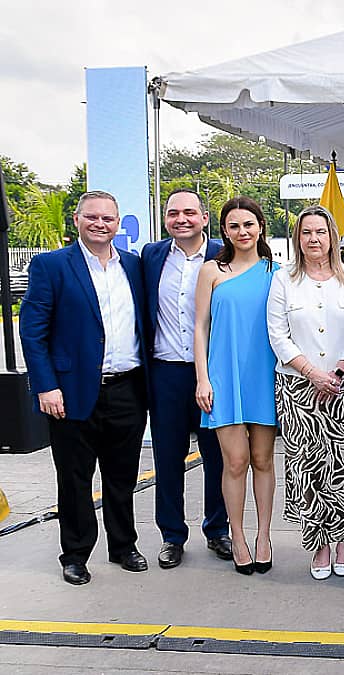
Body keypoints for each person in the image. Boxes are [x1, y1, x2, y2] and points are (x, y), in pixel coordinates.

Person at [19, 190, 149, 585]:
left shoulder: (134, 265)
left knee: (122, 475)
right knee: (74, 479)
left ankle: (123, 545)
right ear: (77, 220)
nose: (100, 224)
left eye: (108, 218)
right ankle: (75, 554)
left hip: (127, 388)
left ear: (118, 222)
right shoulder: (52, 266)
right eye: (91, 217)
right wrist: (46, 386)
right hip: (70, 392)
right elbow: (32, 331)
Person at [267, 205, 344, 581]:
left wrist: (341, 368)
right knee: (308, 468)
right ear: (298, 239)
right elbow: (277, 334)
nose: (314, 239)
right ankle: (319, 544)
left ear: (333, 237)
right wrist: (312, 372)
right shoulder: (284, 280)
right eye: (306, 232)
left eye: (321, 232)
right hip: (299, 387)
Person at [140, 189, 232, 569]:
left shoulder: (224, 256)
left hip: (213, 374)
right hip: (166, 372)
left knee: (218, 456)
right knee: (167, 457)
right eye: (174, 213)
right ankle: (172, 536)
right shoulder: (151, 256)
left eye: (190, 212)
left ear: (205, 218)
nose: (182, 219)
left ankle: (217, 530)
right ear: (166, 220)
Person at [194, 196, 280, 575]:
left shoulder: (277, 272)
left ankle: (264, 535)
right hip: (224, 377)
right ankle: (238, 536)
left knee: (262, 460)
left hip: (265, 376)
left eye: (249, 224)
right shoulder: (212, 270)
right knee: (235, 461)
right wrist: (202, 378)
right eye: (234, 226)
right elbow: (200, 327)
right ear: (224, 230)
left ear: (260, 226)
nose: (242, 232)